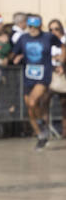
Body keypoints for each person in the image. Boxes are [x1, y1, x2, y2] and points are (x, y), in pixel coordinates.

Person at [10, 14, 63, 149]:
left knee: (33, 101)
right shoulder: (23, 38)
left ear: (40, 26)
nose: (32, 29)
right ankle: (41, 134)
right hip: (28, 75)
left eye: (35, 26)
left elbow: (63, 46)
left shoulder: (48, 37)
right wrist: (12, 57)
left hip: (43, 74)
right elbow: (14, 53)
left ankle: (42, 125)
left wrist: (61, 60)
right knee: (30, 107)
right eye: (30, 26)